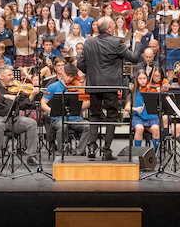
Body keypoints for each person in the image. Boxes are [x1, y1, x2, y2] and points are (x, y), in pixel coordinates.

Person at [77, 16, 138, 161]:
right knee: (112, 116)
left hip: (94, 85)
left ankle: (92, 147)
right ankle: (106, 150)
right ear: (109, 28)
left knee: (94, 115)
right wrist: (139, 41)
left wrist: (92, 74)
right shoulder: (116, 42)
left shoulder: (89, 42)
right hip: (111, 86)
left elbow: (80, 63)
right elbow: (134, 58)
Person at [0, 67, 41, 169]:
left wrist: (32, 95)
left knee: (31, 123)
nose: (12, 77)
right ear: (1, 76)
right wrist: (6, 96)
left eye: (12, 74)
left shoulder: (15, 87)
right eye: (9, 75)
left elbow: (23, 106)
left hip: (13, 119)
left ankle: (31, 156)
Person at [42, 63, 93, 158]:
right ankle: (61, 152)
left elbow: (84, 105)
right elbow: (43, 102)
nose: (69, 79)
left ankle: (78, 152)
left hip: (74, 118)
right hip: (58, 118)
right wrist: (51, 110)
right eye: (67, 75)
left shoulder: (77, 87)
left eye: (72, 77)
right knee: (62, 126)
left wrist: (85, 99)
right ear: (62, 73)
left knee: (88, 126)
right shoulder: (53, 86)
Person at [127, 70, 161, 152]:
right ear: (137, 80)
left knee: (156, 128)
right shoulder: (134, 92)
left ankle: (156, 153)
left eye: (144, 78)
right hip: (138, 118)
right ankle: (138, 153)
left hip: (151, 117)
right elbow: (127, 107)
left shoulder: (153, 90)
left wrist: (159, 94)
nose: (142, 80)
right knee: (139, 128)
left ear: (147, 79)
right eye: (140, 79)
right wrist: (135, 108)